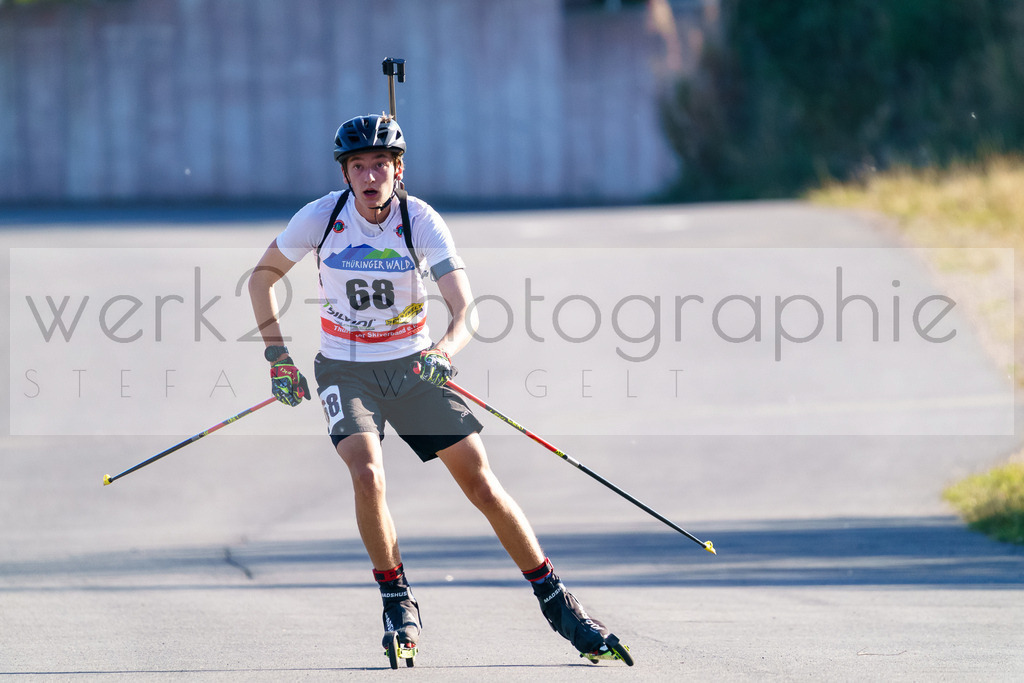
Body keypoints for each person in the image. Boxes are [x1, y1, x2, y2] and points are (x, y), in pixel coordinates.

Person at [248, 114, 630, 665]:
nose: (370, 174)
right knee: (367, 473)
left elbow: (466, 309)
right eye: (359, 166)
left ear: (397, 169)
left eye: (381, 163)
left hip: (415, 368)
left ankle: (559, 605)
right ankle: (397, 601)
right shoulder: (321, 217)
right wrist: (276, 355)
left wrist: (444, 351)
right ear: (346, 174)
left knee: (481, 484)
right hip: (346, 370)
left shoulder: (420, 220)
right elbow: (262, 277)